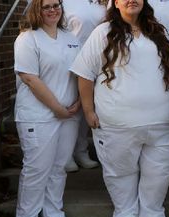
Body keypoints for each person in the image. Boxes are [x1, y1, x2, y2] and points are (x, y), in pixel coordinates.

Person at [72, 0, 169, 217]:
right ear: (116, 3)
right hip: (117, 122)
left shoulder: (160, 33)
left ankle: (152, 215)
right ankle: (125, 216)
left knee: (160, 172)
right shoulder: (104, 32)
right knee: (120, 173)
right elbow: (84, 74)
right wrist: (88, 111)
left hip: (161, 121)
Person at [13, 0, 83, 217]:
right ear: (36, 10)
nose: (53, 10)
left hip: (69, 114)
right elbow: (30, 78)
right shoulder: (27, 39)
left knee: (58, 168)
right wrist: (57, 108)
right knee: (36, 170)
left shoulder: (70, 37)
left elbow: (81, 72)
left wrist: (79, 103)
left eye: (57, 5)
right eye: (46, 6)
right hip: (39, 116)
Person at [63, 0, 107, 172]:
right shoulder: (63, 3)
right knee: (72, 106)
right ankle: (66, 155)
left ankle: (81, 152)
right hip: (71, 60)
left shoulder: (102, 2)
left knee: (88, 106)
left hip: (99, 60)